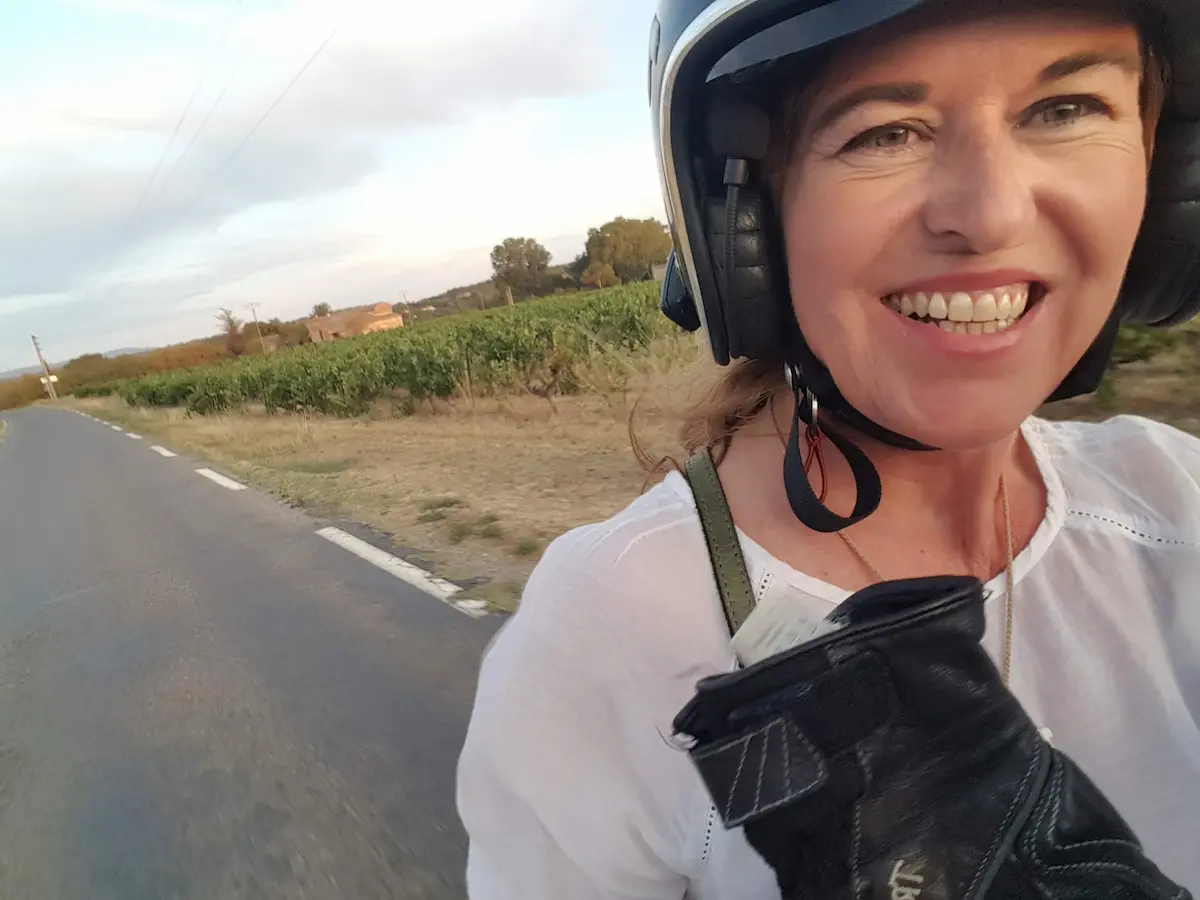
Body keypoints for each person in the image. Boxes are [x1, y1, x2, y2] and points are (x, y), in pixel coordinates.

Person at [456, 0, 1200, 896]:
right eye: (885, 132)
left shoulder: (1177, 498)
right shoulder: (606, 630)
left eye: (1066, 109)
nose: (992, 214)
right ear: (745, 228)